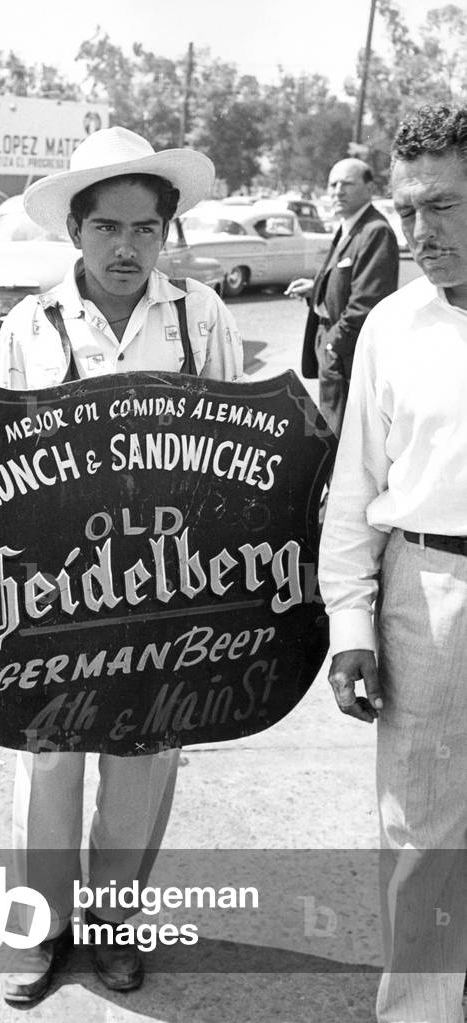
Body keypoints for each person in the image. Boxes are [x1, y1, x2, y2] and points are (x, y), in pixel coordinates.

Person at [0, 126, 244, 1004]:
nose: (128, 247)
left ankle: (115, 930)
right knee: (48, 758)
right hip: (59, 590)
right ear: (75, 232)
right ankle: (38, 932)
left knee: (144, 753)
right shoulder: (32, 324)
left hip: (170, 592)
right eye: (109, 228)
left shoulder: (198, 316)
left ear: (167, 234)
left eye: (146, 229)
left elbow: (240, 459)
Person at [319, 104, 467, 1023]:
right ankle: (421, 1009)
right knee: (423, 830)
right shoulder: (390, 327)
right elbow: (354, 488)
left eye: (444, 207)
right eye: (408, 210)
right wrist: (351, 625)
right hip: (426, 593)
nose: (420, 233)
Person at [286, 157, 400, 436]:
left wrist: (332, 347)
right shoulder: (350, 225)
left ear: (370, 188)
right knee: (330, 430)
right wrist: (317, 289)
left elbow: (366, 304)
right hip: (334, 349)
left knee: (342, 439)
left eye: (347, 183)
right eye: (333, 184)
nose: (337, 191)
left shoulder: (375, 231)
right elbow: (348, 281)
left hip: (346, 355)